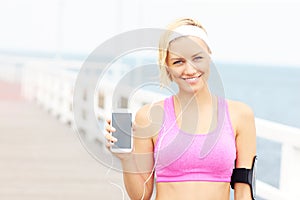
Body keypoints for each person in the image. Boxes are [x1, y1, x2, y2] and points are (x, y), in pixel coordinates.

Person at [105, 18, 256, 200]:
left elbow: (243, 189)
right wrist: (127, 159)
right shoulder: (148, 117)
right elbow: (140, 196)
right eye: (178, 62)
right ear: (167, 68)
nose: (190, 69)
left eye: (197, 57)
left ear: (209, 57)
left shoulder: (240, 115)